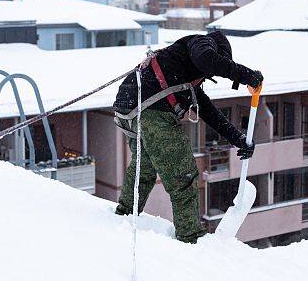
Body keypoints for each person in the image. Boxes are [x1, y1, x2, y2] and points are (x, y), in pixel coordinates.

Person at [112, 30, 263, 243]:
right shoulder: (201, 42)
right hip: (150, 110)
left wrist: (238, 139)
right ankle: (190, 236)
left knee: (143, 169)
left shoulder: (183, 71)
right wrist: (246, 75)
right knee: (183, 175)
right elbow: (208, 59)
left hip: (129, 109)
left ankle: (124, 216)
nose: (206, 77)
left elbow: (209, 112)